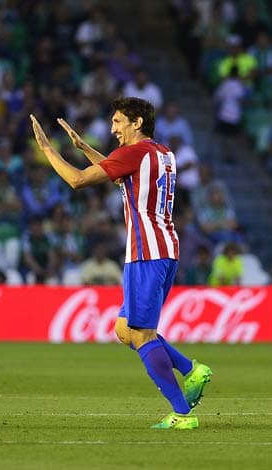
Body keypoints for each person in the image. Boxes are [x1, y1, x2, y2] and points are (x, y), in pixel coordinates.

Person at [30, 97, 212, 429]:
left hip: (146, 252)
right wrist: (84, 147)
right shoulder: (162, 153)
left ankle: (182, 413)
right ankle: (190, 369)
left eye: (117, 122)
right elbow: (119, 174)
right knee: (125, 329)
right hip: (165, 248)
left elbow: (77, 181)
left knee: (141, 334)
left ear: (137, 122)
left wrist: (47, 150)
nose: (113, 129)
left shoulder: (134, 153)